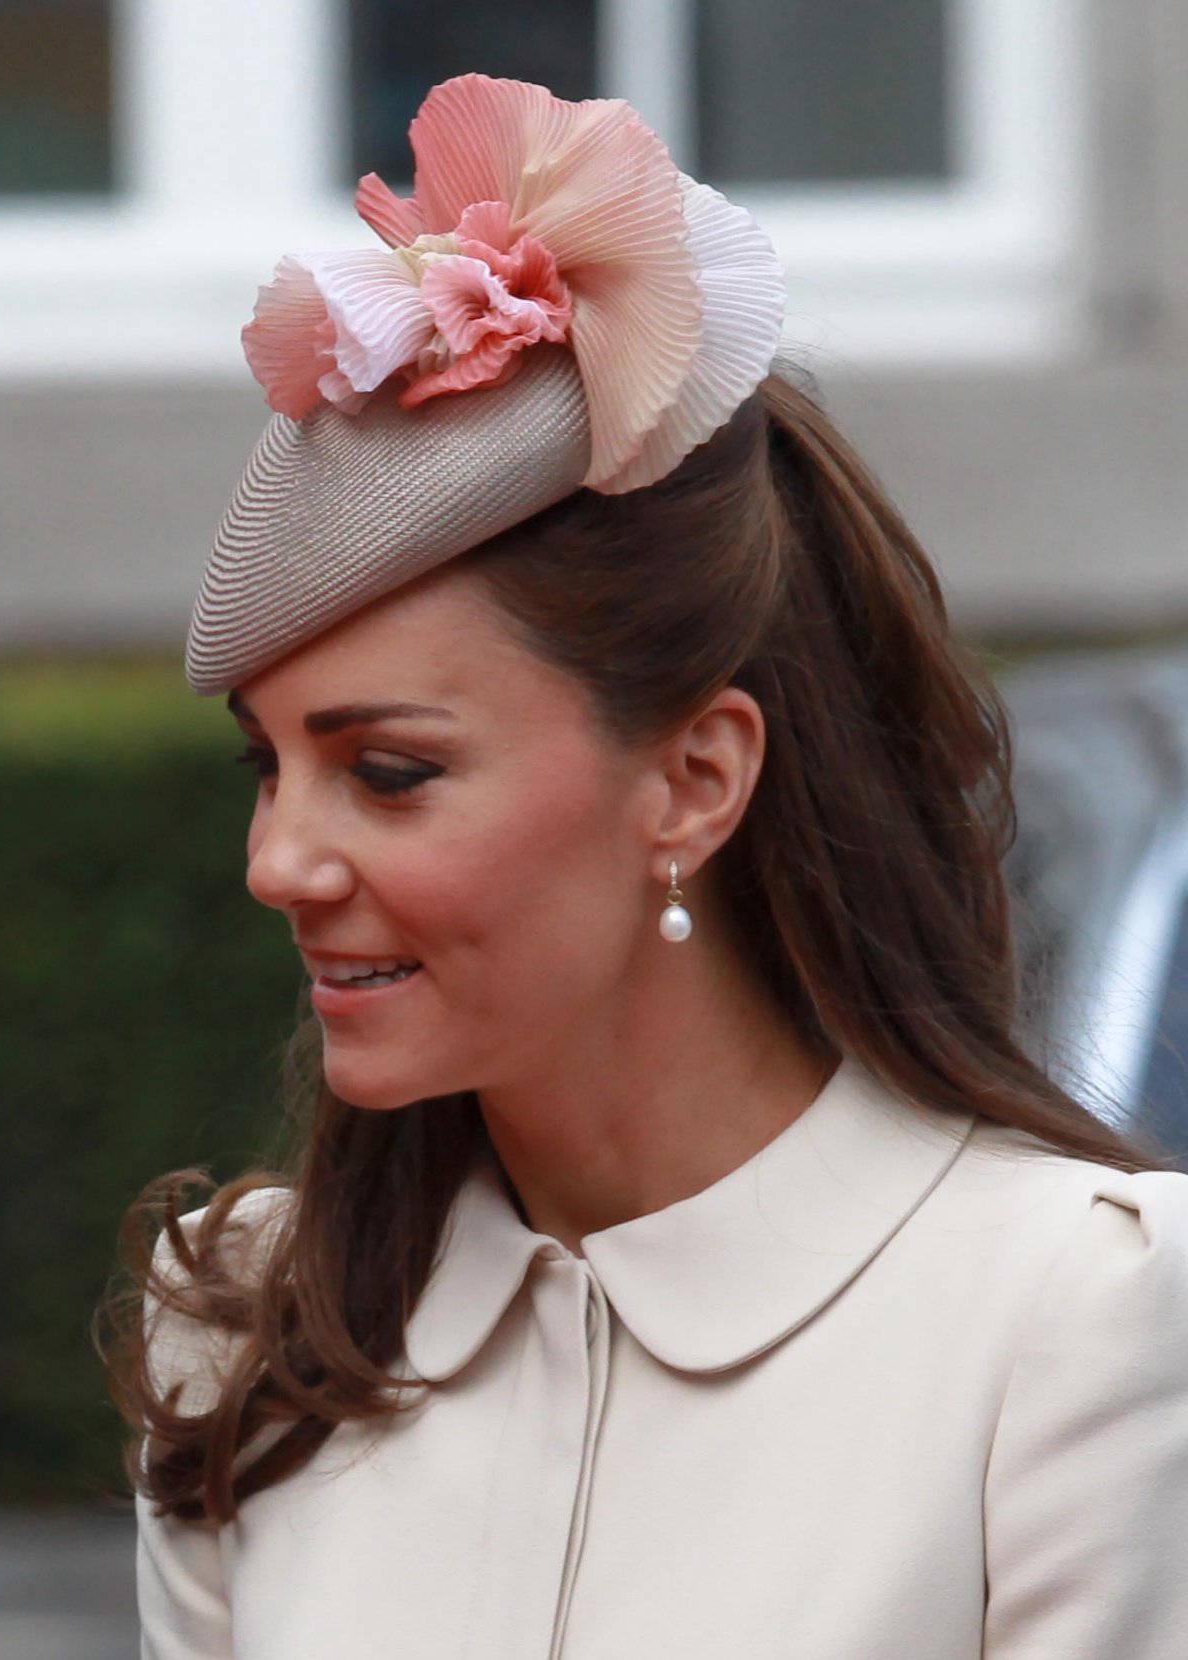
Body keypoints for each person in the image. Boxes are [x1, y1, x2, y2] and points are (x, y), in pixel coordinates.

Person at [103, 73, 1188, 1659]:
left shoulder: (1075, 1322)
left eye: (389, 773)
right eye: (272, 768)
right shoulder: (245, 1329)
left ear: (695, 780)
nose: (279, 863)